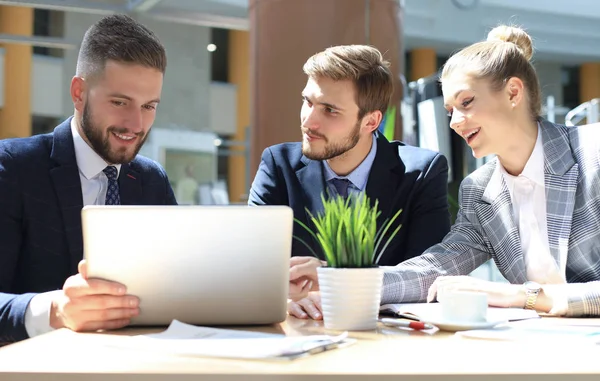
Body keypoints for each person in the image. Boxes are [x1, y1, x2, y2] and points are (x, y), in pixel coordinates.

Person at [289, 25, 600, 319]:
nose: (455, 122)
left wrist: (525, 296)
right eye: (450, 111)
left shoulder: (592, 153)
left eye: (466, 102)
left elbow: (528, 296)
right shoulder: (481, 190)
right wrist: (337, 280)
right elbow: (435, 267)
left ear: (513, 93)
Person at [0, 14, 177, 343]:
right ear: (79, 93)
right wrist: (55, 310)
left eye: (149, 106)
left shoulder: (153, 181)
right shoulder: (13, 169)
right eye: (120, 102)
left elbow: (182, 282)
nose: (136, 124)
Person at [249, 44, 451, 279]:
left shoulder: (421, 174)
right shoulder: (278, 165)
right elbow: (253, 260)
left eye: (330, 110)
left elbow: (428, 274)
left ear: (371, 122)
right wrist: (285, 297)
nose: (309, 121)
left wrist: (332, 276)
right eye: (308, 102)